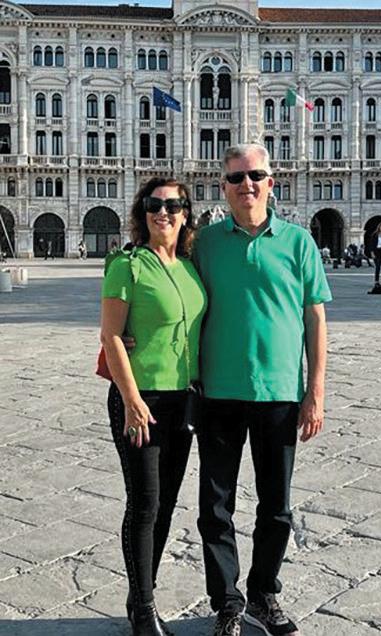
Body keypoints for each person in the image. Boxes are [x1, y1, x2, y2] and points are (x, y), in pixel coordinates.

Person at [193, 144, 332, 636]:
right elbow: (176, 297)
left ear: (272, 182)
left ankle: (263, 594)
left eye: (255, 175)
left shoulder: (298, 242)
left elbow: (315, 319)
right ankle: (227, 602)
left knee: (277, 506)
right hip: (217, 392)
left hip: (279, 392)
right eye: (236, 178)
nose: (246, 184)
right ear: (222, 187)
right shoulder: (205, 243)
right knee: (215, 506)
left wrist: (315, 390)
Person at [100, 177, 207, 636]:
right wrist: (131, 400)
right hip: (139, 399)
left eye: (173, 205)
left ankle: (140, 591)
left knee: (164, 504)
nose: (163, 211)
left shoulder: (190, 268)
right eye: (153, 204)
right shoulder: (127, 265)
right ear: (142, 212)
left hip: (183, 401)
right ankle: (144, 611)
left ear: (185, 215)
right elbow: (111, 336)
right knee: (144, 504)